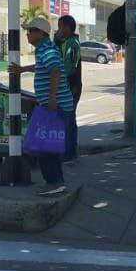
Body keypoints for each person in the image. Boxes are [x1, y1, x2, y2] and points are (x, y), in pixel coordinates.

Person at [11, 15, 70, 196]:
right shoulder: (44, 49)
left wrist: (52, 99)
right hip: (55, 105)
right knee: (49, 145)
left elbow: (55, 71)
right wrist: (23, 70)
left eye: (31, 31)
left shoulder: (47, 50)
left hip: (55, 105)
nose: (27, 35)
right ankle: (56, 181)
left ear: (41, 33)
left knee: (43, 146)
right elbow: (42, 66)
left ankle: (54, 183)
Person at [55, 15, 82, 162]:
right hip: (67, 85)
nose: (58, 30)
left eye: (60, 27)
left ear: (67, 27)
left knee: (67, 120)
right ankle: (69, 152)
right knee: (69, 119)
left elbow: (69, 67)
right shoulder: (63, 42)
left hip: (71, 86)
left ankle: (68, 153)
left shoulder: (72, 44)